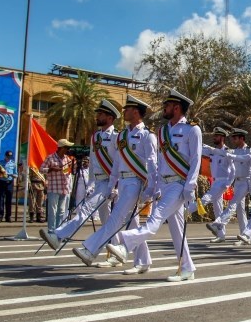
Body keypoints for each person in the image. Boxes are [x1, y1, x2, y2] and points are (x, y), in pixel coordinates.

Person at [107, 89, 203, 282]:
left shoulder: (192, 129)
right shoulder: (163, 131)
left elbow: (196, 161)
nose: (164, 109)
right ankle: (187, 268)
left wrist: (189, 187)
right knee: (176, 230)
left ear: (177, 108)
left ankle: (125, 244)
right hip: (165, 185)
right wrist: (154, 186)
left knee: (154, 220)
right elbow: (159, 161)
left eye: (167, 106)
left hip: (179, 184)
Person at [73, 95, 157, 272]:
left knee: (115, 218)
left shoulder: (147, 136)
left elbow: (152, 164)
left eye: (127, 109)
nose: (124, 112)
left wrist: (150, 189)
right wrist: (112, 185)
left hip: (136, 182)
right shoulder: (123, 135)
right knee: (131, 222)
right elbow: (117, 163)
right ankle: (143, 261)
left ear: (135, 112)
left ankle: (90, 249)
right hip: (123, 182)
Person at [40, 99, 120, 251]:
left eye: (101, 114)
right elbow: (93, 161)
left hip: (108, 183)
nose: (97, 116)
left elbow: (119, 162)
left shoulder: (117, 137)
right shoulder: (95, 137)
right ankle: (115, 249)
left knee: (85, 210)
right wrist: (90, 183)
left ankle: (58, 236)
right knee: (107, 219)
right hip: (98, 182)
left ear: (110, 118)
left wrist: (115, 185)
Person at [206, 129, 251, 240]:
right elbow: (223, 153)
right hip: (237, 182)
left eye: (235, 138)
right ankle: (245, 235)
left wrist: (250, 184)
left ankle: (218, 224)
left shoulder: (249, 150)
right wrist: (210, 149)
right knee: (240, 210)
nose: (233, 140)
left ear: (242, 138)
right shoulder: (234, 151)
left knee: (232, 204)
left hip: (245, 182)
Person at [200, 127, 236, 243]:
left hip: (222, 181)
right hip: (214, 181)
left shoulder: (227, 152)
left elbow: (233, 170)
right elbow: (200, 149)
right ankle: (221, 235)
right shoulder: (212, 151)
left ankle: (191, 209)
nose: (214, 138)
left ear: (222, 138)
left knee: (208, 198)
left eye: (216, 136)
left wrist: (228, 183)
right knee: (217, 208)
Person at [39, 138, 77, 234]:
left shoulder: (67, 159)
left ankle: (58, 230)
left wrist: (71, 168)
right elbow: (41, 169)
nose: (68, 149)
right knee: (52, 211)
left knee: (61, 211)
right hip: (54, 188)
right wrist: (51, 169)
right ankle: (51, 230)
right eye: (67, 147)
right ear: (61, 148)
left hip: (64, 188)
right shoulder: (50, 158)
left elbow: (67, 171)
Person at [0, 150, 17, 222]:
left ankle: (8, 216)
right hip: (2, 182)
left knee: (9, 200)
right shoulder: (0, 163)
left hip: (9, 182)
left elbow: (16, 174)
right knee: (1, 200)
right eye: (8, 156)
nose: (9, 158)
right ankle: (0, 216)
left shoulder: (13, 164)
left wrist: (13, 175)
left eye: (10, 157)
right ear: (5, 156)